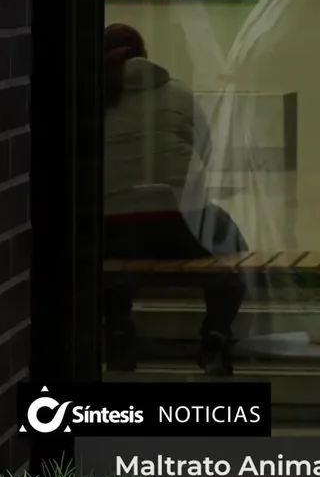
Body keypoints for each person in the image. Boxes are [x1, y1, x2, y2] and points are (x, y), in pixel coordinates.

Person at [102, 23, 247, 376]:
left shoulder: (93, 100)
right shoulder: (178, 93)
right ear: (145, 55)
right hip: (180, 226)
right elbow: (206, 150)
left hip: (114, 230)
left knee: (101, 259)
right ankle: (216, 335)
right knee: (232, 246)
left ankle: (118, 330)